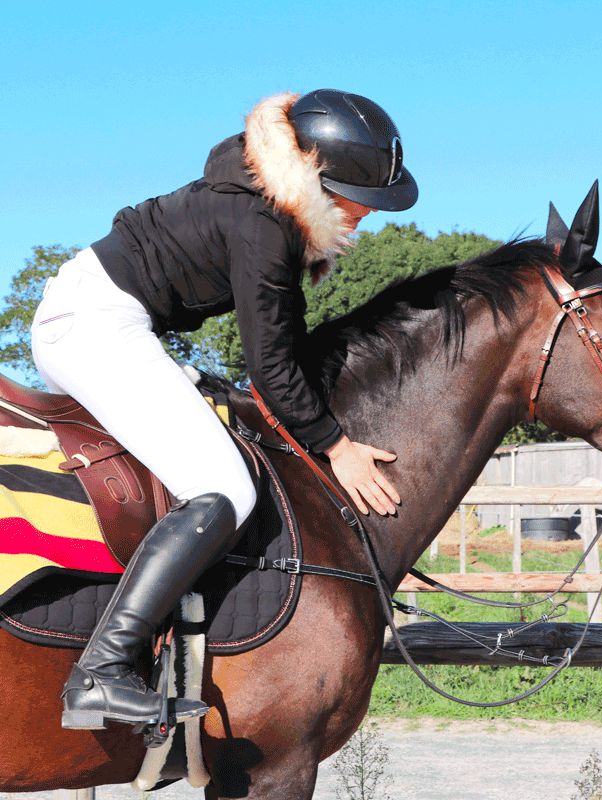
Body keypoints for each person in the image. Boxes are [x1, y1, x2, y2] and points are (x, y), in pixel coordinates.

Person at [30, 89, 418, 730]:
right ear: (317, 180)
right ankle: (101, 671)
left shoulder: (268, 206)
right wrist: (335, 444)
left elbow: (282, 349)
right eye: (360, 200)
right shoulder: (262, 226)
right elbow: (272, 367)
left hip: (115, 321)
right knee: (223, 488)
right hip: (94, 326)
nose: (365, 217)